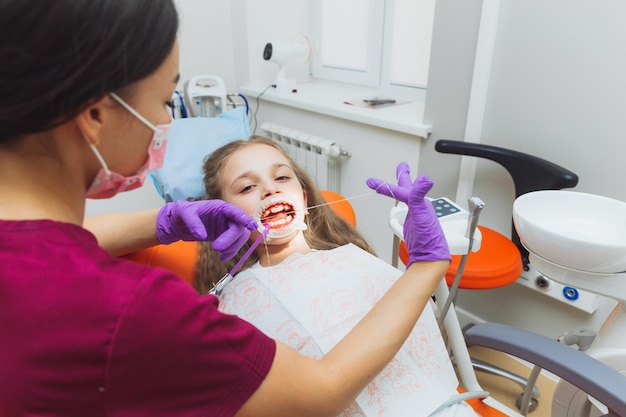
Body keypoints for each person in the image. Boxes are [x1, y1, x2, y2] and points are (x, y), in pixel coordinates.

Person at [0, 1, 452, 416]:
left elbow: (54, 244)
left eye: (281, 177)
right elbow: (322, 391)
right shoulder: (144, 311)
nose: (167, 123)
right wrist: (427, 267)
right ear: (94, 115)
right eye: (162, 102)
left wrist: (163, 221)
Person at [195, 136, 477, 417]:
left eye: (281, 177)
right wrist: (427, 266)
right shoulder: (237, 298)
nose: (270, 189)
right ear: (223, 216)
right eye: (247, 187)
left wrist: (422, 266)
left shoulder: (352, 258)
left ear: (304, 197)